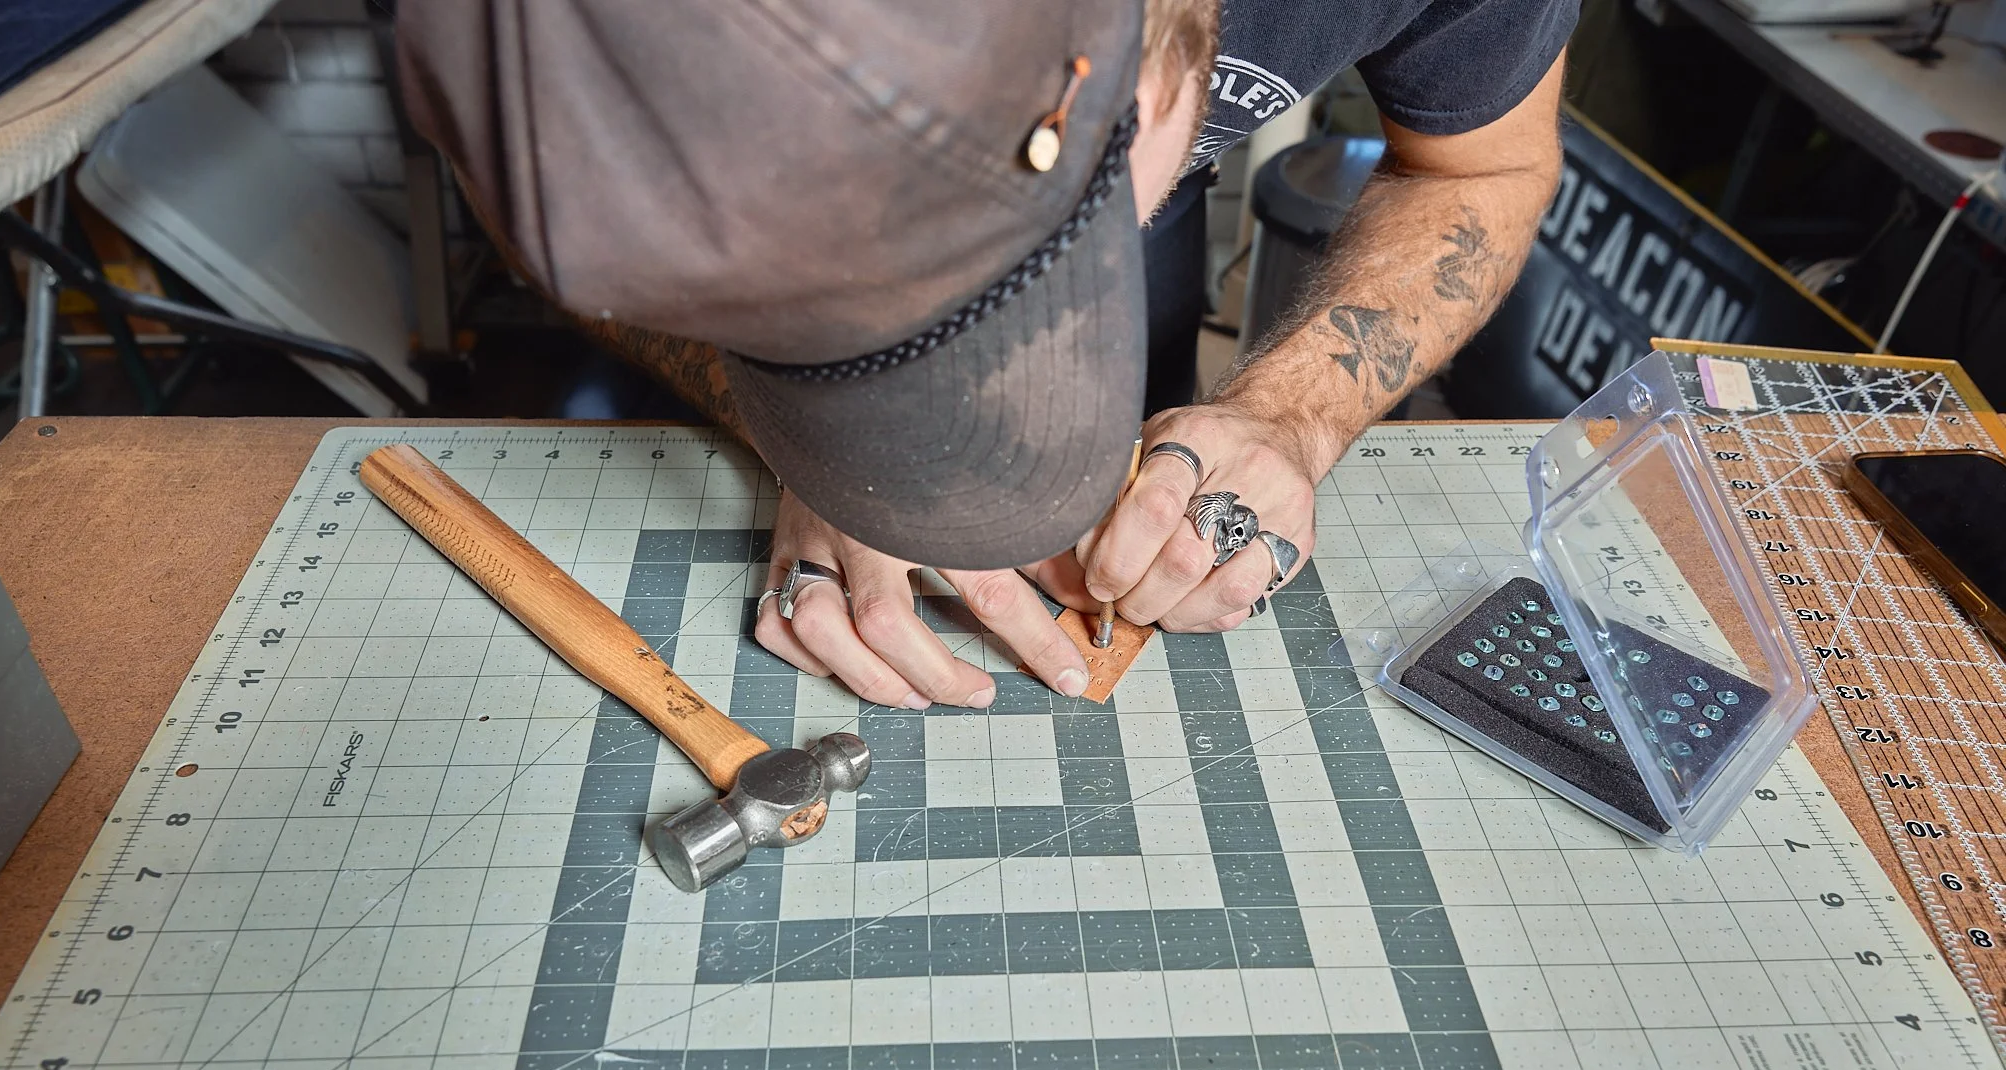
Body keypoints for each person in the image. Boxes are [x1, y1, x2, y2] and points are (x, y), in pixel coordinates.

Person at [399, 0, 1574, 709]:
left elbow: (1482, 164)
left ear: (1163, 69)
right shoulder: (531, 51)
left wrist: (1291, 409)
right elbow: (580, 226)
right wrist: (824, 432)